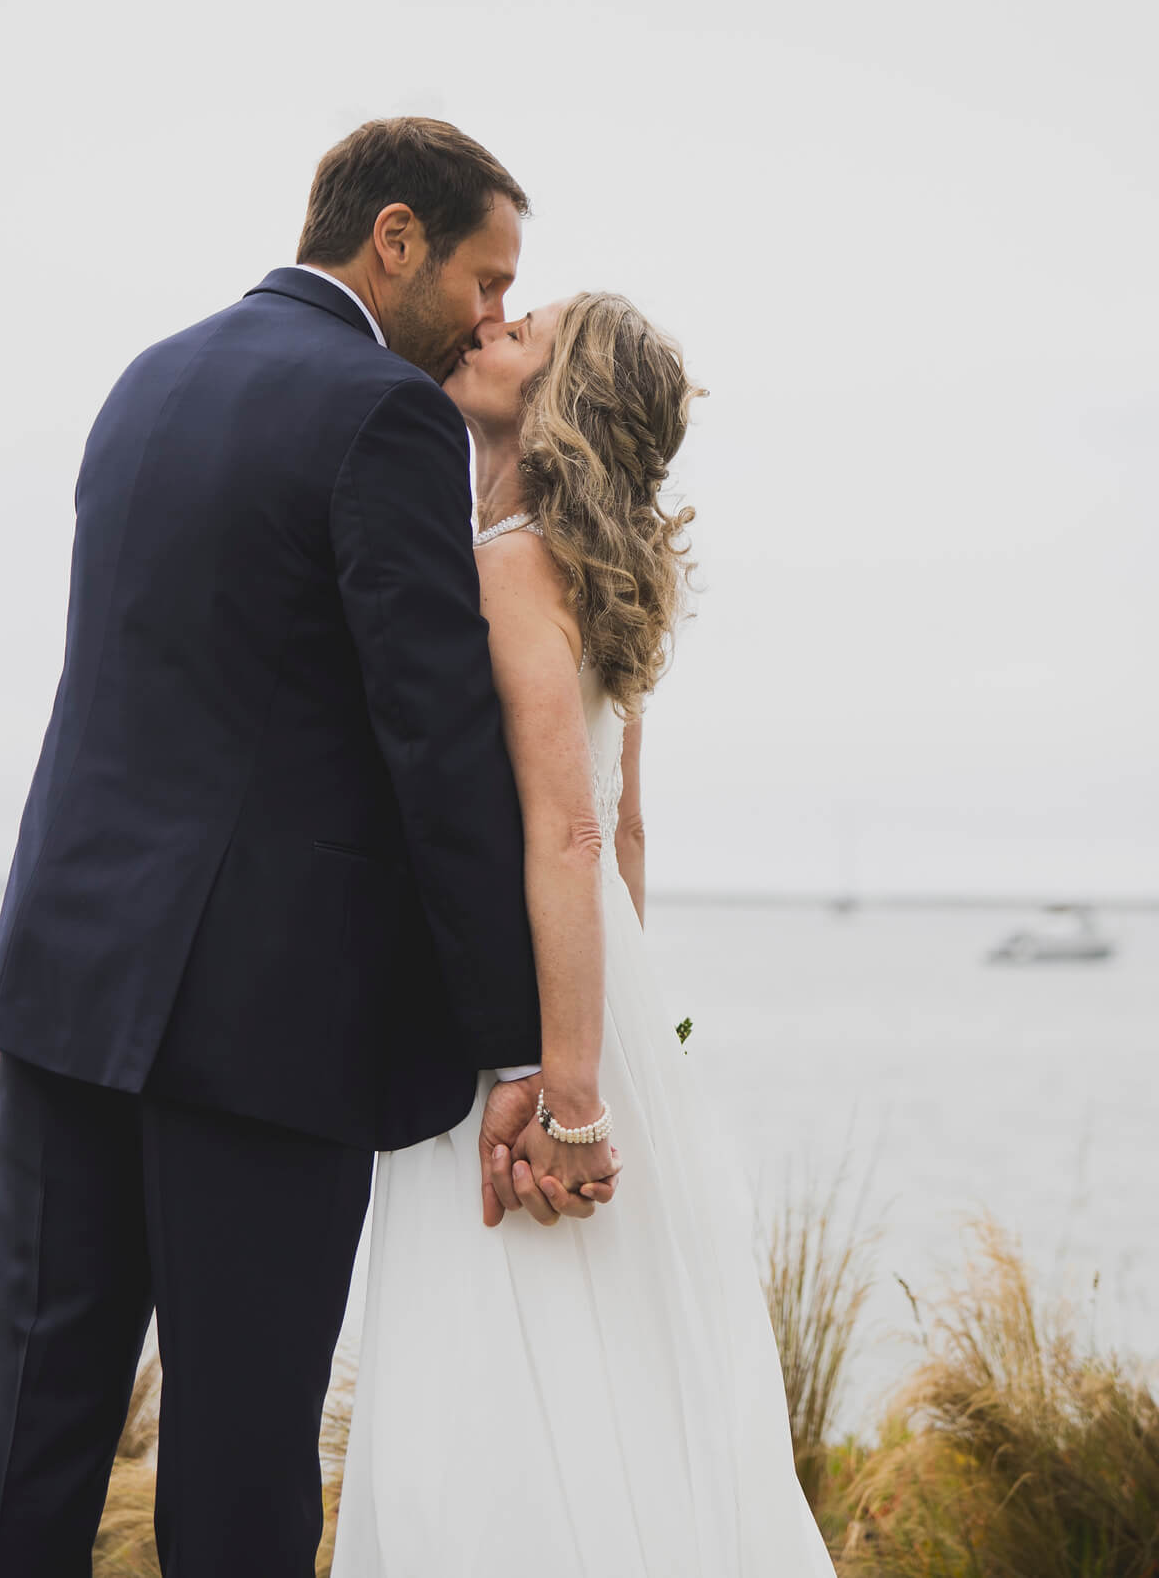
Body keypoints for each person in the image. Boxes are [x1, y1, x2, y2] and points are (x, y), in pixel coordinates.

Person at [0, 118, 614, 1576]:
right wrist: (517, 1045)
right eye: (487, 279)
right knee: (243, 1455)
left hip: (68, 986)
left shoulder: (146, 382)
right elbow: (434, 742)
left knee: (29, 1431)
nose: (498, 316)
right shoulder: (385, 414)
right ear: (394, 238)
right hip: (259, 1025)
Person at [330, 293, 836, 1575]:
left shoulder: (507, 565)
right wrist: (618, 1053)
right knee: (625, 1367)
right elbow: (626, 841)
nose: (484, 331)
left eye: (523, 333)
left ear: (556, 403)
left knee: (492, 1374)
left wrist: (563, 1090)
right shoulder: (595, 572)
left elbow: (565, 831)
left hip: (531, 1026)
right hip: (602, 1002)